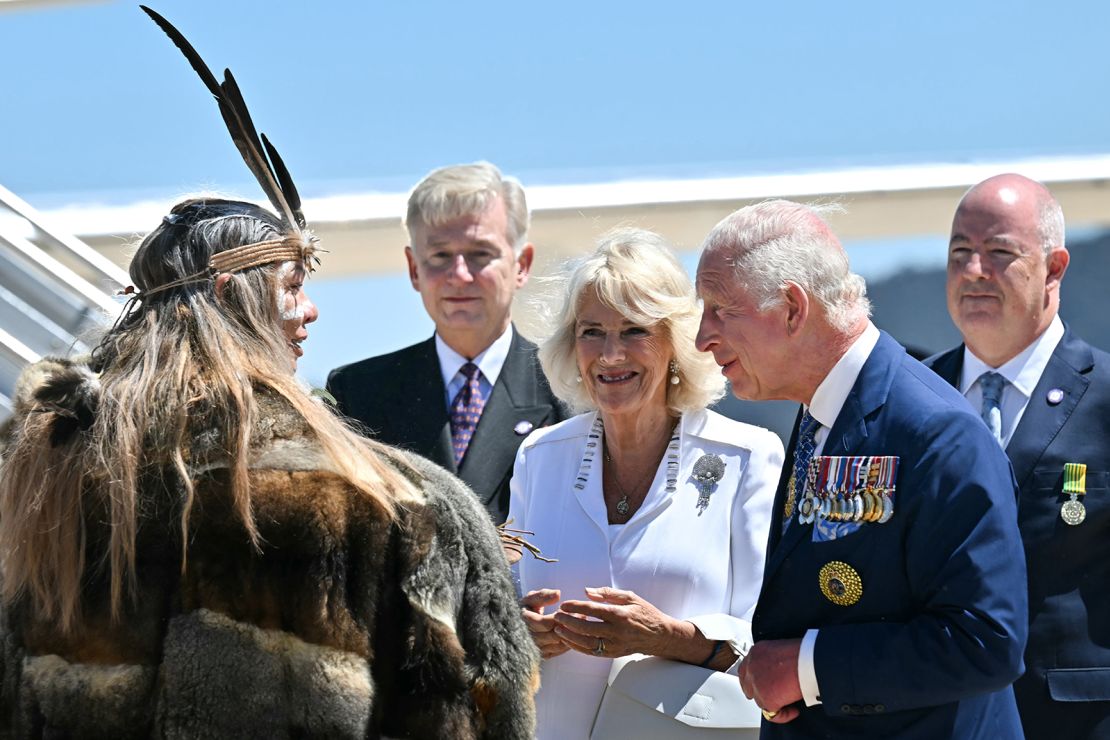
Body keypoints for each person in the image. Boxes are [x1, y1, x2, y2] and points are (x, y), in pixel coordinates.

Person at [0, 9, 538, 737]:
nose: (312, 310)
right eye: (293, 286)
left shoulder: (48, 464)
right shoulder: (372, 493)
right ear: (233, 295)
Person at [694, 200, 1028, 739]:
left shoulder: (939, 434)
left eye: (720, 309)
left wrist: (806, 668)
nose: (702, 337)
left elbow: (985, 641)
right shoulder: (821, 414)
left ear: (792, 310)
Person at [509, 227, 784, 739]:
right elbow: (507, 607)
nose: (610, 354)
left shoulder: (748, 456)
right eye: (592, 331)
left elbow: (769, 638)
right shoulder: (539, 456)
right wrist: (517, 626)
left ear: (675, 343)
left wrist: (665, 637)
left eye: (634, 330)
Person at [925, 173, 1110, 739]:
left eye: (999, 253)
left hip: (1075, 717)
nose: (974, 272)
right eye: (961, 252)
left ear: (1054, 268)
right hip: (936, 713)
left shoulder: (1104, 395)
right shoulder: (916, 396)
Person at [328, 162, 566, 524]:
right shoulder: (357, 395)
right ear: (413, 269)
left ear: (521, 264)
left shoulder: (568, 388)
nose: (459, 275)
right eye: (440, 256)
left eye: (480, 254)